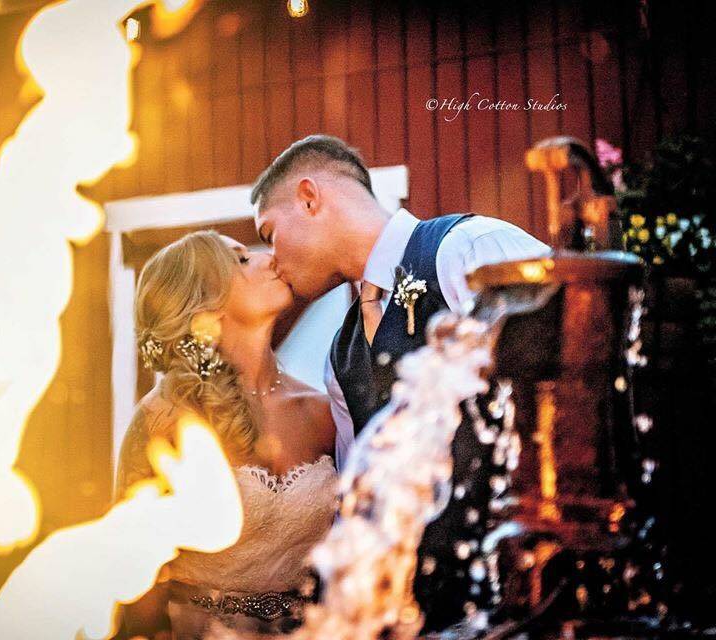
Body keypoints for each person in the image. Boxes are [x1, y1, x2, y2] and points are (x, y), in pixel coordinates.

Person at [251, 134, 551, 629]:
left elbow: (568, 395)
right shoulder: (339, 357)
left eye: (269, 234)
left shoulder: (468, 251)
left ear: (309, 197)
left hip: (521, 603)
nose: (273, 259)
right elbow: (360, 507)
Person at [113, 231, 338, 639]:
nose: (269, 258)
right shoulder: (163, 421)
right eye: (240, 260)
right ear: (204, 305)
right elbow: (131, 574)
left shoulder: (323, 412)